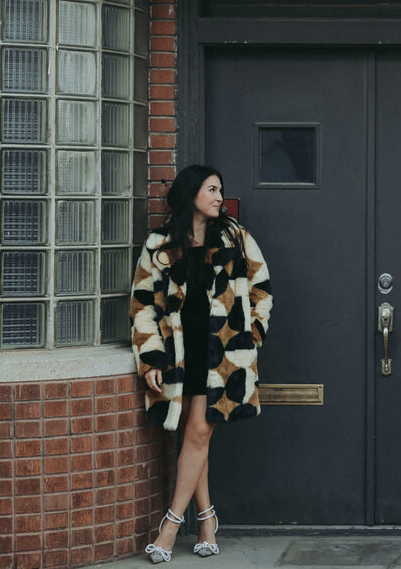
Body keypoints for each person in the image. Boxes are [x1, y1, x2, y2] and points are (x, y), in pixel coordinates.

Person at [129, 164, 272, 563]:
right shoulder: (159, 245)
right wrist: (151, 357)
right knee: (197, 438)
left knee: (195, 432)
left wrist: (250, 338)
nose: (218, 197)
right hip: (178, 357)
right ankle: (207, 520)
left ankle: (170, 527)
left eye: (220, 190)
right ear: (192, 193)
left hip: (221, 359)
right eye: (211, 189)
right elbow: (141, 305)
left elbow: (262, 291)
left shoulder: (234, 237)